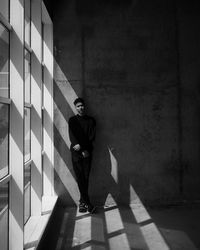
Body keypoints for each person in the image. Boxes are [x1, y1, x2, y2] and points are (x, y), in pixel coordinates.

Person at [68, 97, 96, 213]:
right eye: (78, 106)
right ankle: (87, 203)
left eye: (82, 105)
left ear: (85, 106)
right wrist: (78, 146)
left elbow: (92, 136)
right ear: (75, 107)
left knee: (86, 178)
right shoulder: (72, 120)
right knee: (80, 178)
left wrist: (84, 148)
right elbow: (72, 135)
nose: (81, 108)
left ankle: (82, 202)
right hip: (76, 153)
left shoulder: (91, 120)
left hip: (87, 152)